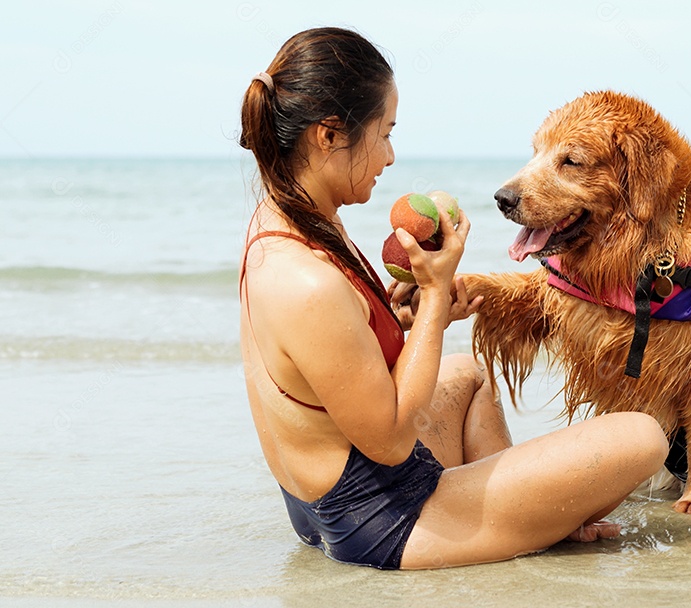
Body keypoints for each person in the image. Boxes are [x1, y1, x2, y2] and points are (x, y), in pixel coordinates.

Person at [237, 26, 668, 570]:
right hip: (380, 524)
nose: (390, 157)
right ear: (328, 134)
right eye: (385, 132)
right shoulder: (306, 281)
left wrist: (414, 319)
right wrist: (437, 295)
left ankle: (528, 515)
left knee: (470, 375)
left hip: (324, 500)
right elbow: (392, 441)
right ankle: (530, 518)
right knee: (643, 436)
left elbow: (339, 363)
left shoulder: (289, 224)